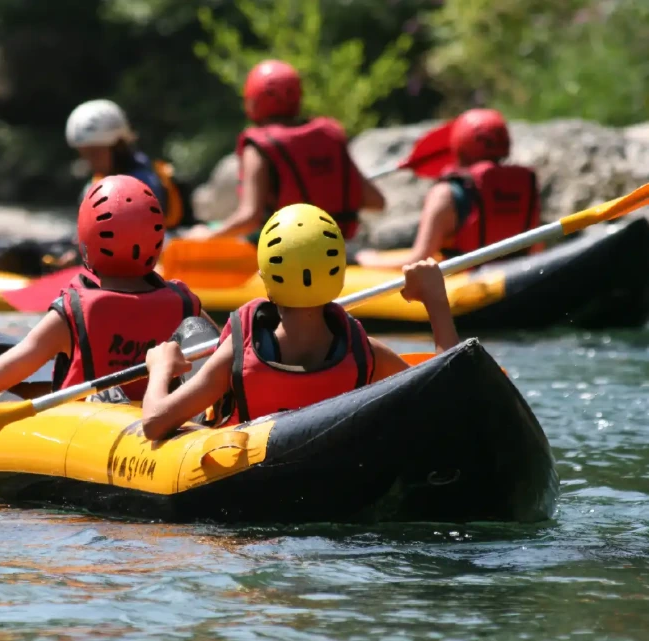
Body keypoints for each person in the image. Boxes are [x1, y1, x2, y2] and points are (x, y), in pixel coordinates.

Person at [141, 203, 459, 440]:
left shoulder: (238, 354)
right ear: (338, 278)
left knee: (193, 330)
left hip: (247, 477)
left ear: (266, 280)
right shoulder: (366, 354)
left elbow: (154, 424)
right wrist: (435, 301)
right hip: (332, 472)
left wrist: (160, 369)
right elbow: (446, 398)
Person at [0, 175, 211, 403]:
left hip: (88, 435)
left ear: (86, 240)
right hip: (165, 433)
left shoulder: (72, 314)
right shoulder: (187, 306)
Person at [184, 59, 385, 243]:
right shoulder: (329, 135)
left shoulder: (259, 147)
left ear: (253, 101)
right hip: (340, 247)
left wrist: (209, 235)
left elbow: (250, 217)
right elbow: (376, 201)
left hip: (290, 253)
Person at [356, 108, 541, 269]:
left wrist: (371, 261)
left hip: (467, 283)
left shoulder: (445, 194)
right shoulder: (525, 185)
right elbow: (536, 249)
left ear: (458, 144)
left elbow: (419, 259)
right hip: (516, 275)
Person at [66, 99, 187, 230]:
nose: (90, 161)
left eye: (95, 153)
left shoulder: (142, 184)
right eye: (84, 154)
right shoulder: (96, 184)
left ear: (118, 147)